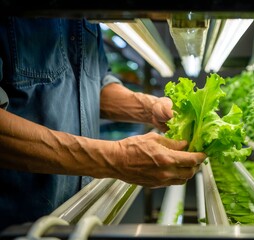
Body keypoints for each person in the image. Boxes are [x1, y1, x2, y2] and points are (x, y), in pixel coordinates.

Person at [0, 16, 206, 230]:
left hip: (77, 210)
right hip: (17, 223)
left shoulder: (88, 17)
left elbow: (95, 84)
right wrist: (116, 158)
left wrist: (149, 107)